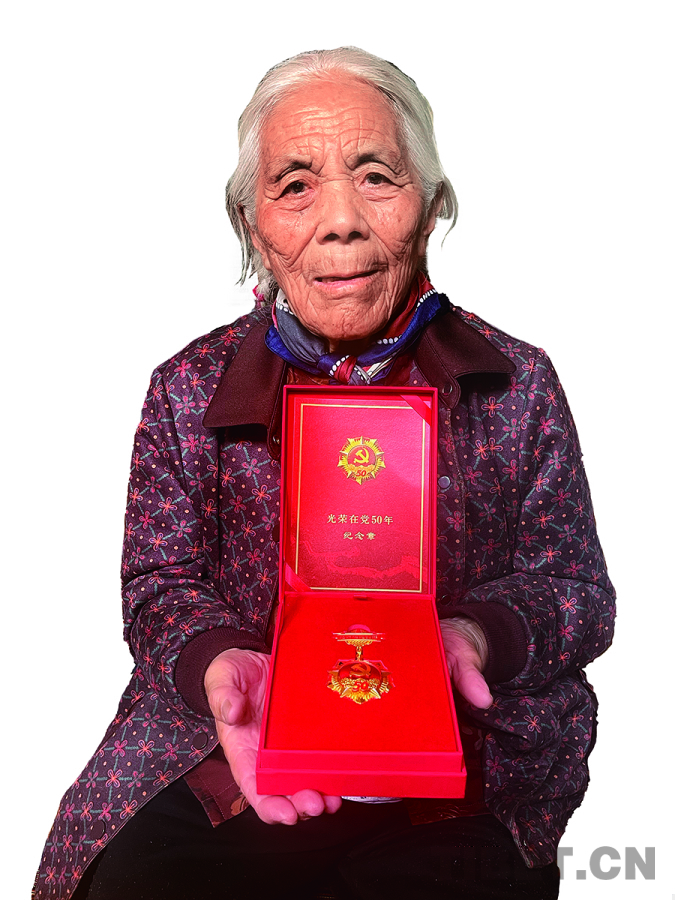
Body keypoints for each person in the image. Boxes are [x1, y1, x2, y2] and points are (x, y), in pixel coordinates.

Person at [35, 47, 615, 900]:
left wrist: (473, 636)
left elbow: (575, 590)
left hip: (461, 774)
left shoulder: (517, 382)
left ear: (430, 205)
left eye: (376, 176)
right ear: (251, 225)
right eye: (295, 184)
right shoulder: (187, 387)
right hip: (233, 748)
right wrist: (222, 663)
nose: (339, 220)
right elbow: (158, 584)